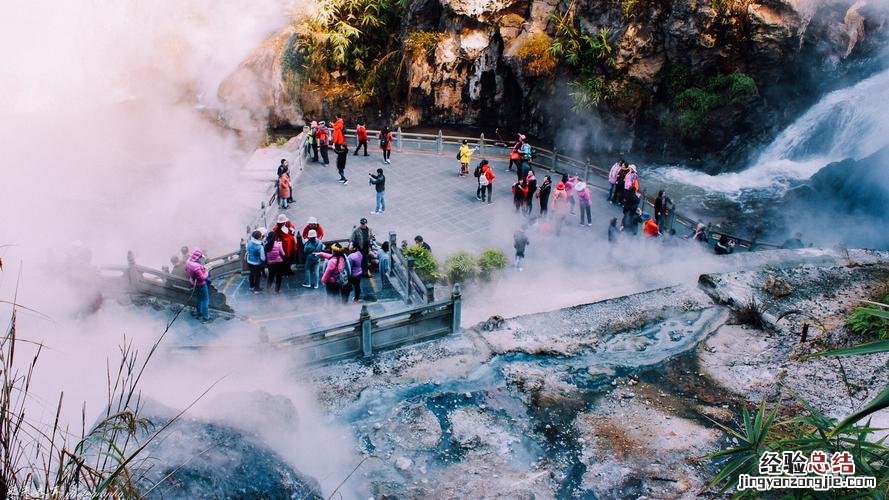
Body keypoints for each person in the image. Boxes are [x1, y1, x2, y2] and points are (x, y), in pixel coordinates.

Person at [185, 248, 210, 321]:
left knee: (199, 299)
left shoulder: (188, 262)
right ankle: (206, 317)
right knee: (205, 300)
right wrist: (206, 271)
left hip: (194, 283)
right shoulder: (197, 267)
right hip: (201, 284)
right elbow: (203, 278)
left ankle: (199, 313)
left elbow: (186, 269)